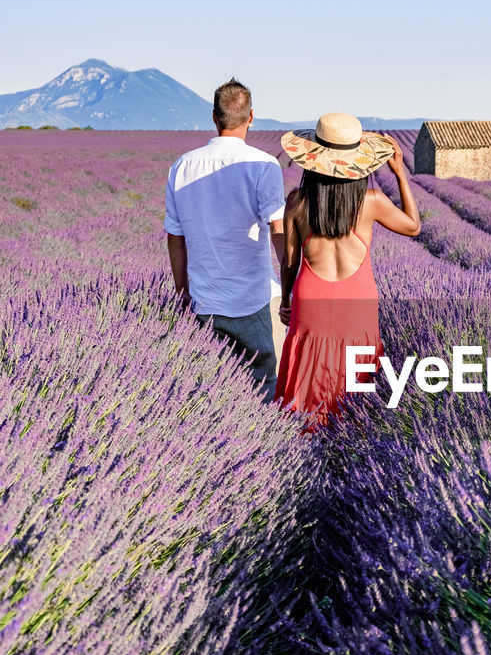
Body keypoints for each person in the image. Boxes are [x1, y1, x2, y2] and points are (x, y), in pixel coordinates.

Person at [275, 112, 420, 423]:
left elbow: (290, 261)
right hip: (358, 300)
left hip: (310, 297)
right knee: (357, 375)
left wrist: (285, 300)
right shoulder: (372, 201)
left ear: (313, 159)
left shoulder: (297, 202)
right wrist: (399, 173)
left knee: (307, 374)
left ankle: (304, 440)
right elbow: (413, 227)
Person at [164, 77, 286, 403]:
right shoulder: (264, 165)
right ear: (250, 117)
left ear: (215, 117)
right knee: (267, 386)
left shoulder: (182, 166)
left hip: (206, 303)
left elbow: (174, 240)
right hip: (255, 300)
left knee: (214, 392)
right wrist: (292, 286)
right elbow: (278, 231)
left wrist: (182, 294)